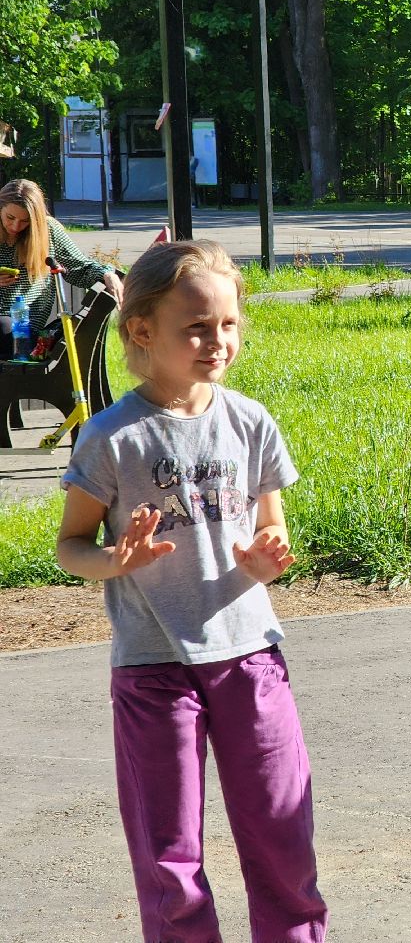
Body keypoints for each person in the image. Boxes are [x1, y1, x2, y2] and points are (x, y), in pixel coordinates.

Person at [54, 239, 328, 941]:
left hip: (250, 657)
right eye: (198, 326)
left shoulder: (250, 422)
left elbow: (271, 527)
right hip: (153, 669)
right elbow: (70, 546)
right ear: (142, 331)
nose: (218, 341)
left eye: (229, 324)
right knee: (169, 859)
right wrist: (116, 559)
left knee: (283, 838)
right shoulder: (111, 438)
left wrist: (268, 556)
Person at [0, 178, 124, 326]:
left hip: (25, 322)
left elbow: (80, 268)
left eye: (25, 221)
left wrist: (107, 274)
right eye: (10, 217)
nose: (15, 226)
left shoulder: (48, 230)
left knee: (5, 326)